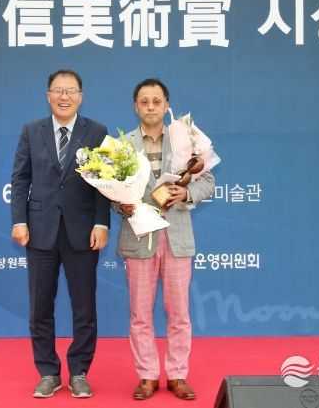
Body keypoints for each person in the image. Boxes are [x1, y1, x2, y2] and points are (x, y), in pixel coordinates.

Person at [11, 69, 110, 398]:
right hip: (40, 231)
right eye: (58, 90)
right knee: (40, 307)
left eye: (70, 91)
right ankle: (48, 372)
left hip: (82, 232)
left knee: (85, 308)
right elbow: (20, 179)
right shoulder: (31, 131)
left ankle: (79, 371)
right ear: (48, 95)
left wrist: (101, 223)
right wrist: (19, 220)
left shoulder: (96, 131)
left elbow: (104, 183)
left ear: (81, 96)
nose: (64, 96)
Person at [116, 78, 214, 401]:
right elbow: (111, 190)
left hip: (176, 237)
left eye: (157, 101)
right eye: (144, 101)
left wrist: (187, 193)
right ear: (135, 106)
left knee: (179, 313)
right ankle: (147, 375)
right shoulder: (123, 145)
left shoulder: (183, 138)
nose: (151, 107)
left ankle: (177, 374)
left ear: (167, 105)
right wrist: (120, 203)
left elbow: (207, 181)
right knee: (140, 314)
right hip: (139, 237)